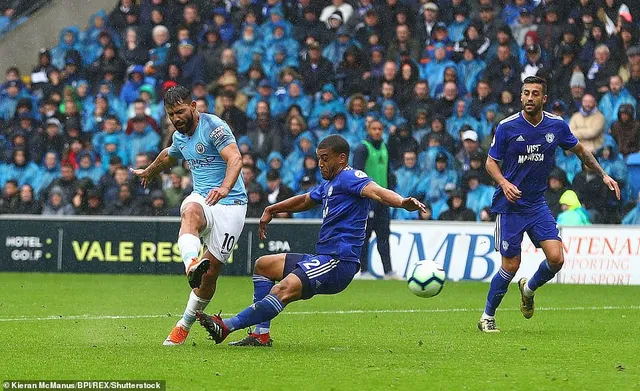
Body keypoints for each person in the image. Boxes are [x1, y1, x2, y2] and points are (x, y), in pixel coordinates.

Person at [194, 135, 426, 346]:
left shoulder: (351, 177)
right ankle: (260, 334)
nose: (321, 164)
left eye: (325, 159)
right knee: (263, 266)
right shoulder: (329, 184)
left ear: (342, 158)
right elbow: (305, 200)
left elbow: (376, 191)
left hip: (338, 261)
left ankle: (226, 326)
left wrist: (402, 202)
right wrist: (272, 209)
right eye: (319, 159)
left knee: (283, 289)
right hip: (323, 257)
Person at [478, 76, 620, 333]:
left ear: (544, 99)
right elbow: (490, 162)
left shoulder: (556, 126)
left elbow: (581, 151)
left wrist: (603, 174)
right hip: (510, 206)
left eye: (535, 94)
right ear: (521, 96)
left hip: (536, 204)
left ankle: (529, 289)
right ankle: (487, 316)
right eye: (526, 93)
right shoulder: (507, 127)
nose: (529, 98)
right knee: (511, 265)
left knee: (556, 259)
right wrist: (504, 183)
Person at [130, 85, 247, 346]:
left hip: (232, 203)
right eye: (172, 115)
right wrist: (149, 171)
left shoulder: (214, 127)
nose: (177, 119)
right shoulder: (180, 136)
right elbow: (168, 155)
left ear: (194, 106)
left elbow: (235, 159)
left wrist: (225, 187)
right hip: (203, 197)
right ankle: (191, 263)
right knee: (190, 211)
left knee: (210, 277)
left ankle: (184, 324)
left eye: (181, 112)